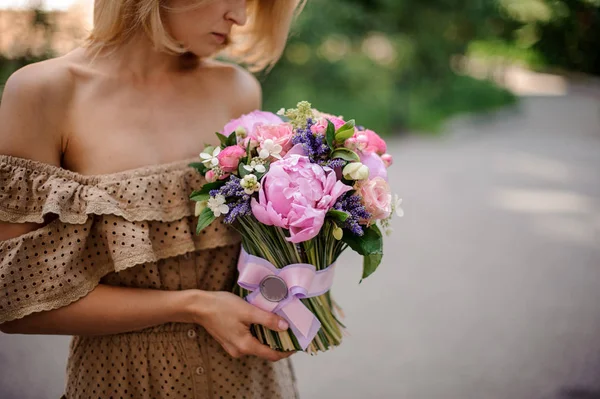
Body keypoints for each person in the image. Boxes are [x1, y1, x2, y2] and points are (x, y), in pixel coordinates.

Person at [0, 0, 305, 397]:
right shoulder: (43, 93)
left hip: (251, 383)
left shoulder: (237, 91)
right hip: (123, 384)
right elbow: (15, 299)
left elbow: (258, 255)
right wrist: (192, 306)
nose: (241, 17)